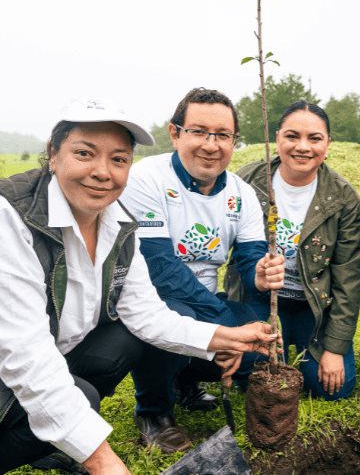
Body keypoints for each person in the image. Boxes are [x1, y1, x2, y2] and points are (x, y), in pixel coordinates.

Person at [0, 98, 281, 474]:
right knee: (83, 397)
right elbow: (25, 357)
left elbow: (147, 315)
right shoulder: (5, 223)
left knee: (123, 339)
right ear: (54, 155)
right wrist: (103, 460)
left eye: (119, 159)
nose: (102, 172)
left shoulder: (115, 222)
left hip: (44, 352)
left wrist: (226, 336)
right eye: (84, 153)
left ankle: (46, 439)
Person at [120, 88, 285, 452]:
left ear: (233, 142)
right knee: (177, 316)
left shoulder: (241, 193)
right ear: (175, 133)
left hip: (206, 300)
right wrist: (228, 331)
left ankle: (185, 384)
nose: (211, 145)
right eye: (198, 131)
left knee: (257, 327)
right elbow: (160, 269)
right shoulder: (146, 179)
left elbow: (249, 258)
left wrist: (259, 273)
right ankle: (153, 412)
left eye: (223, 135)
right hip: (154, 299)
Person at [225, 101, 360, 399]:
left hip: (311, 305)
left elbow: (348, 279)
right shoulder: (246, 182)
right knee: (255, 376)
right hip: (259, 298)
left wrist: (335, 349)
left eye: (314, 138)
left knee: (333, 389)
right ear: (277, 139)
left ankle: (305, 350)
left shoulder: (343, 198)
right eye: (292, 136)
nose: (303, 147)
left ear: (328, 144)